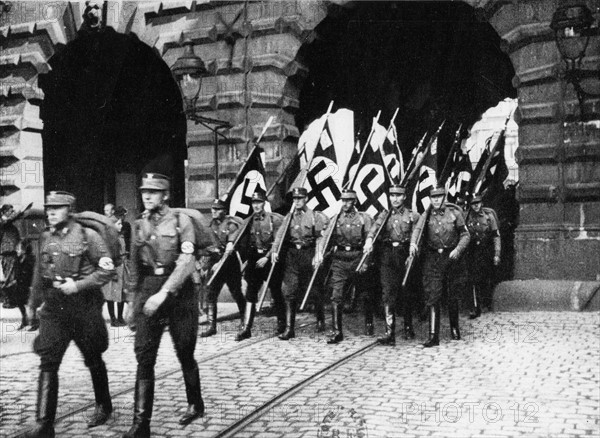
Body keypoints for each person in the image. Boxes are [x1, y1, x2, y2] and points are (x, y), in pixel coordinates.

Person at [24, 191, 115, 437]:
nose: (50, 212)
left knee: (93, 357)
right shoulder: (45, 237)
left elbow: (106, 270)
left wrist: (79, 285)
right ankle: (44, 423)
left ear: (70, 210)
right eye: (48, 207)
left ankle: (103, 405)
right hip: (54, 306)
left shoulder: (89, 236)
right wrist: (33, 302)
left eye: (57, 208)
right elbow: (39, 273)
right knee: (48, 360)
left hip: (84, 305)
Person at [123, 173, 203, 438]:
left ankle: (195, 403)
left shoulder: (182, 222)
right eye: (144, 191)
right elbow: (134, 267)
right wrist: (131, 301)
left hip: (180, 293)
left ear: (165, 195)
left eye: (154, 192)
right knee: (144, 356)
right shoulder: (138, 225)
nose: (147, 196)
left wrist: (165, 292)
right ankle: (140, 424)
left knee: (184, 350)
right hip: (149, 289)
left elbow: (187, 261)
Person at [410, 187, 470, 348]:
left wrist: (458, 249)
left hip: (451, 257)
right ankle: (433, 335)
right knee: (433, 294)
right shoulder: (426, 214)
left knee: (453, 294)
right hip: (433, 258)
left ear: (444, 197)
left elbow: (465, 234)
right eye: (433, 198)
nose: (436, 200)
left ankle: (454, 328)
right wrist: (413, 244)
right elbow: (417, 230)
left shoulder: (454, 214)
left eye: (439, 197)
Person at [363, 185, 419, 345]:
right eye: (392, 195)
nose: (395, 199)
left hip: (405, 255)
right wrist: (369, 239)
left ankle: (408, 326)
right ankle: (389, 332)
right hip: (388, 256)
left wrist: (413, 250)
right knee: (388, 292)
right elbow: (374, 229)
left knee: (407, 291)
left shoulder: (412, 216)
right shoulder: (384, 215)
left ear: (404, 197)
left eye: (398, 196)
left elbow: (418, 234)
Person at [271, 187, 328, 340]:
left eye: (300, 198)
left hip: (308, 253)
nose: (296, 201)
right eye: (294, 199)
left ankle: (320, 319)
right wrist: (274, 251)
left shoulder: (314, 216)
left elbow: (319, 238)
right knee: (289, 291)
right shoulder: (288, 217)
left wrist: (318, 253)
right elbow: (280, 236)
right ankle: (290, 329)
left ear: (306, 199)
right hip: (293, 256)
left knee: (315, 290)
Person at [324, 189, 372, 344]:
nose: (345, 204)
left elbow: (370, 242)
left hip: (358, 258)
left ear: (355, 202)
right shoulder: (335, 219)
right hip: (340, 260)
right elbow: (326, 240)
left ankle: (369, 323)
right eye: (343, 200)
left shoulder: (364, 218)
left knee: (365, 293)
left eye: (348, 200)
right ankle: (337, 331)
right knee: (336, 295)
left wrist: (365, 261)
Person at [235, 191, 285, 341]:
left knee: (276, 291)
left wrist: (267, 257)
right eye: (253, 203)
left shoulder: (273, 220)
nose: (256, 205)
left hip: (269, 259)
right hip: (254, 259)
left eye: (259, 202)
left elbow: (278, 241)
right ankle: (246, 328)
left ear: (264, 203)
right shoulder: (248, 221)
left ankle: (282, 324)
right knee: (251, 292)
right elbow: (240, 239)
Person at [200, 199, 245, 338]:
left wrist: (219, 263)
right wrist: (205, 265)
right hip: (215, 262)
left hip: (229, 263)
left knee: (236, 292)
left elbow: (231, 242)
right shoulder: (210, 225)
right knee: (211, 293)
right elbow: (207, 246)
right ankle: (211, 325)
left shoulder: (231, 224)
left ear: (224, 211)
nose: (214, 211)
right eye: (213, 208)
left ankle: (245, 320)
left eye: (218, 209)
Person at [465, 195, 501, 318]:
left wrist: (497, 254)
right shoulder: (466, 217)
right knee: (473, 279)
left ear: (481, 203)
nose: (476, 205)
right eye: (473, 203)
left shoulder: (489, 217)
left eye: (478, 203)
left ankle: (487, 303)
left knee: (486, 278)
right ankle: (476, 307)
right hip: (472, 251)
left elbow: (496, 236)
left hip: (486, 251)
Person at [1, 204, 28, 329]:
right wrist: (21, 210)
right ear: (5, 212)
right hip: (7, 256)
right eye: (10, 211)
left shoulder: (11, 227)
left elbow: (19, 240)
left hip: (15, 256)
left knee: (18, 284)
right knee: (11, 283)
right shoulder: (3, 222)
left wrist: (21, 251)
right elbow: (10, 219)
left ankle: (24, 315)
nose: (12, 212)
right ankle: (8, 300)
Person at [102, 212, 128, 326]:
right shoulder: (109, 239)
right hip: (113, 267)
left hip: (122, 266)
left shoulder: (121, 236)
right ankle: (113, 319)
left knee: (121, 294)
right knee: (111, 294)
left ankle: (120, 317)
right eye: (118, 223)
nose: (121, 226)